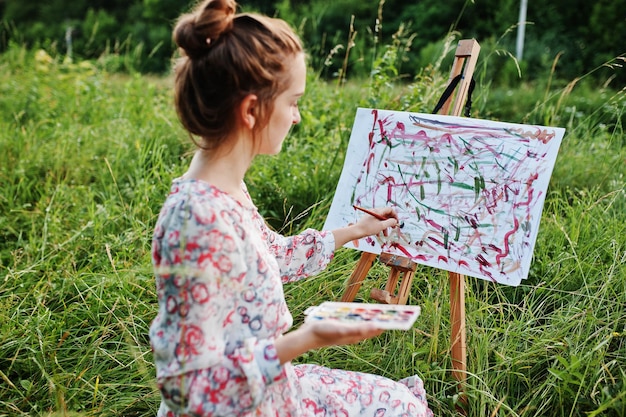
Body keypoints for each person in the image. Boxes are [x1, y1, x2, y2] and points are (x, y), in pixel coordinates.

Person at [148, 0, 433, 416]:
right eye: (293, 102)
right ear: (251, 110)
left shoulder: (225, 191)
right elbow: (188, 392)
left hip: (272, 386)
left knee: (396, 400)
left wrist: (356, 229)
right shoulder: (197, 220)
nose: (296, 117)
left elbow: (273, 255)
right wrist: (309, 338)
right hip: (244, 405)